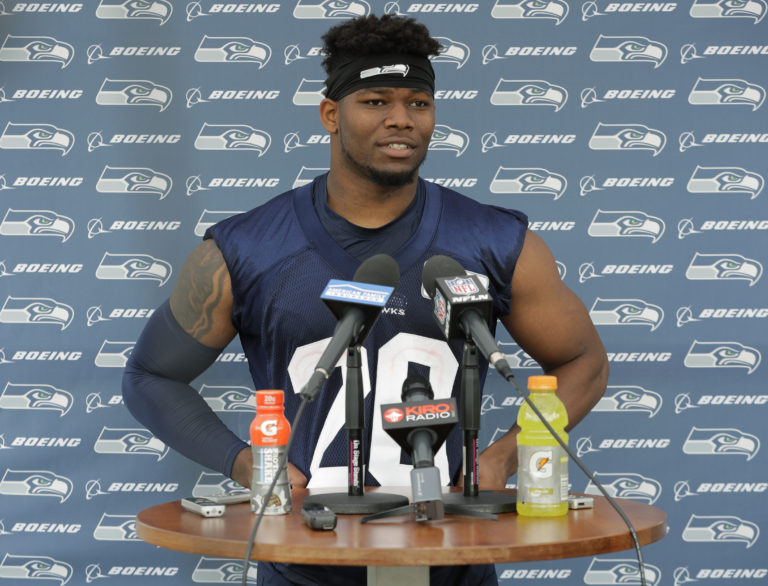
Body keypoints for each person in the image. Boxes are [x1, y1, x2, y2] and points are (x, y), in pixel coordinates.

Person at [122, 14, 609, 586]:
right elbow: (151, 375)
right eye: (376, 101)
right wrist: (247, 462)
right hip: (307, 562)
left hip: (453, 560)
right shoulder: (247, 249)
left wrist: (504, 455)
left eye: (418, 103)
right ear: (331, 114)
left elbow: (584, 362)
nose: (401, 119)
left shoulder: (497, 241)